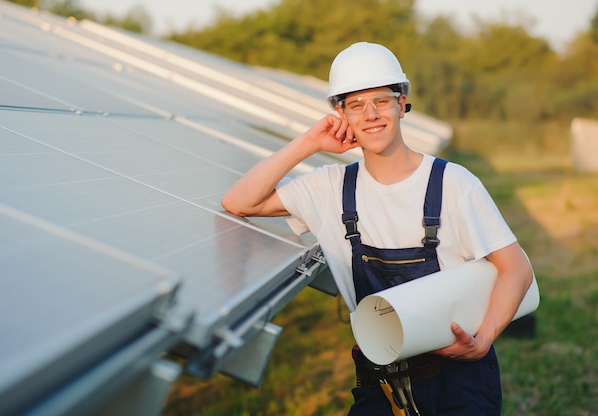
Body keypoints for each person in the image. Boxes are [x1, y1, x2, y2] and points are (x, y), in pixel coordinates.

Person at [221, 42, 534, 415]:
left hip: (459, 379)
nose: (371, 115)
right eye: (356, 105)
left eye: (382, 101)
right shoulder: (329, 187)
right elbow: (241, 202)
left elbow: (516, 268)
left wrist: (483, 340)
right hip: (381, 382)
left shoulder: (453, 182)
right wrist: (308, 143)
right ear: (340, 114)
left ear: (402, 104)